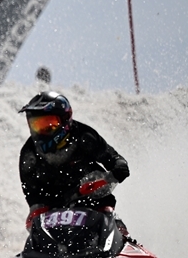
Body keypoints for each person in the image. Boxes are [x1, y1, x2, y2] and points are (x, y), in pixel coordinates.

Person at [18, 91, 130, 229]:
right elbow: (32, 194)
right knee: (37, 234)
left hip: (95, 202)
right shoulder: (29, 154)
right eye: (36, 125)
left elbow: (112, 157)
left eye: (48, 124)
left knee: (113, 223)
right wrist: (36, 217)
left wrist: (120, 166)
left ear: (65, 119)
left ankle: (122, 237)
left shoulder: (85, 136)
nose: (41, 132)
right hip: (54, 213)